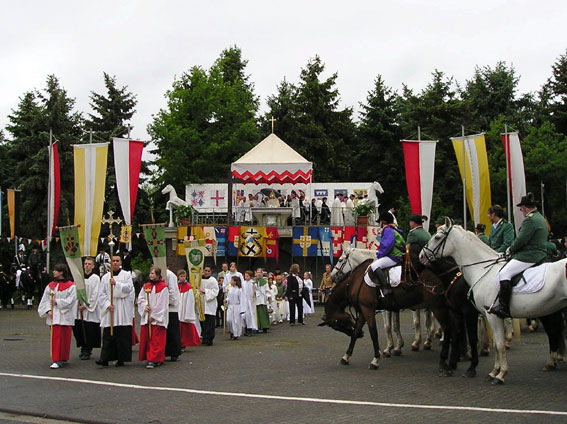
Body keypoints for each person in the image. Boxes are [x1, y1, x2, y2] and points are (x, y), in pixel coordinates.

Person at [489, 193, 549, 319]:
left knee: (503, 273)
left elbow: (521, 240)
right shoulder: (540, 218)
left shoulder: (530, 219)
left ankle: (504, 307)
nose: (521, 211)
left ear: (524, 208)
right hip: (540, 253)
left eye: (521, 209)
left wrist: (510, 250)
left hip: (529, 255)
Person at [97, 255, 135, 367]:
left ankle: (121, 359)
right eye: (113, 261)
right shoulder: (105, 277)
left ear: (120, 262)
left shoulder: (126, 275)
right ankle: (105, 358)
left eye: (117, 261)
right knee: (109, 334)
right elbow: (101, 293)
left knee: (122, 334)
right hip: (111, 307)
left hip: (122, 307)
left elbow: (129, 289)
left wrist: (116, 284)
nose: (115, 263)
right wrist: (107, 305)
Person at [38, 263, 77, 369]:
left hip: (65, 315)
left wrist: (57, 302)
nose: (53, 272)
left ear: (62, 272)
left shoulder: (71, 286)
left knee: (65, 337)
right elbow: (45, 300)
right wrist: (48, 310)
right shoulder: (50, 286)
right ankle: (56, 359)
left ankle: (63, 356)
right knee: (56, 337)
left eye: (56, 270)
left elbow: (71, 300)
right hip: (54, 316)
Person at [369, 212, 405, 308]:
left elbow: (386, 245)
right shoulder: (392, 229)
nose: (379, 224)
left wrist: (379, 255)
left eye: (379, 222)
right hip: (395, 255)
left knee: (374, 266)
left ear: (382, 222)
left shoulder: (387, 230)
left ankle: (385, 288)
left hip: (394, 256)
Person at [138, 266, 169, 369]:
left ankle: (155, 359)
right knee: (148, 338)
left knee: (157, 340)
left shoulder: (163, 287)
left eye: (153, 273)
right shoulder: (146, 286)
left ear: (158, 275)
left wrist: (154, 316)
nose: (151, 275)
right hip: (147, 316)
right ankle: (149, 357)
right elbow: (140, 299)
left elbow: (162, 304)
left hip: (157, 319)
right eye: (150, 273)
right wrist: (144, 306)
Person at [73, 257, 102, 360]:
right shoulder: (79, 277)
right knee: (79, 328)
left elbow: (95, 294)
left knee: (89, 329)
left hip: (90, 308)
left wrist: (85, 305)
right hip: (78, 308)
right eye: (85, 264)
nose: (87, 266)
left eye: (89, 264)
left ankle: (88, 350)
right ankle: (82, 347)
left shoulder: (95, 278)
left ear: (93, 266)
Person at [177, 270, 201, 349]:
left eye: (184, 276)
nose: (182, 278)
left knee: (185, 329)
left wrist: (188, 313)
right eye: (181, 276)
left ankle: (184, 343)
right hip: (178, 309)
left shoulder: (188, 287)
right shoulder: (176, 286)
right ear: (178, 277)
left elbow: (190, 301)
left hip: (184, 310)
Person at [199, 265, 219, 346]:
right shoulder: (200, 279)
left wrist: (205, 291)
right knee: (202, 322)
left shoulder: (213, 280)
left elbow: (215, 291)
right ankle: (204, 337)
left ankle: (209, 339)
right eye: (205, 271)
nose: (206, 272)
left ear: (211, 271)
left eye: (208, 271)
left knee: (209, 322)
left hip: (210, 303)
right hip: (201, 302)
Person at [165, 268, 182, 361]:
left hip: (171, 308)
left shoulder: (170, 275)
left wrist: (167, 301)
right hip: (161, 308)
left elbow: (172, 290)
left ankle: (174, 352)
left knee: (172, 331)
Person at [226, 275, 243, 340]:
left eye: (232, 280)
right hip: (231, 306)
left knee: (236, 321)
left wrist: (241, 309)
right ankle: (232, 331)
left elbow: (241, 299)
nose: (230, 281)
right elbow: (228, 297)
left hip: (237, 306)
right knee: (229, 320)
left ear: (235, 282)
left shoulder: (239, 290)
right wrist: (226, 301)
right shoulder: (230, 289)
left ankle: (235, 334)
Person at [241, 270, 258, 335]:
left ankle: (251, 328)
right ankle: (245, 328)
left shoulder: (253, 283)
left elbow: (257, 291)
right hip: (245, 301)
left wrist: (255, 293)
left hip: (251, 301)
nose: (246, 277)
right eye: (245, 276)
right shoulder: (243, 284)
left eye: (247, 276)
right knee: (244, 315)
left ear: (250, 277)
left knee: (250, 315)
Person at [254, 268, 270, 333]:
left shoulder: (265, 282)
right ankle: (257, 326)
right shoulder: (253, 282)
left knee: (263, 313)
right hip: (256, 299)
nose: (259, 274)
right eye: (257, 272)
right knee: (256, 314)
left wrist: (268, 296)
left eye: (260, 272)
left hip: (262, 299)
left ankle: (265, 326)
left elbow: (267, 290)